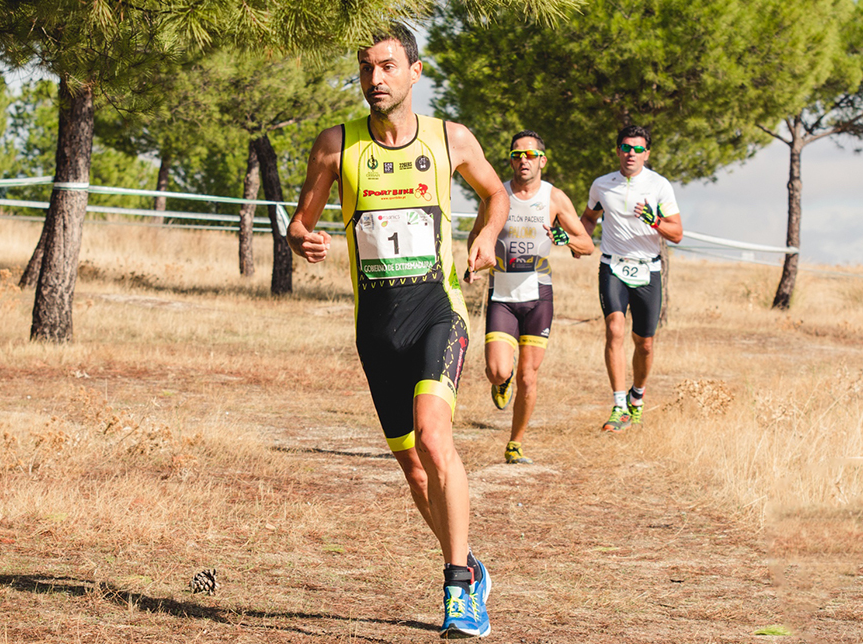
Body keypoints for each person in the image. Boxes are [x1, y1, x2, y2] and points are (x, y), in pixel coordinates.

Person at [286, 24, 505, 639]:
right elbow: (299, 223)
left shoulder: (450, 139)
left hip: (438, 312)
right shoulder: (336, 145)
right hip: (376, 329)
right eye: (365, 69)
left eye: (386, 67)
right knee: (414, 469)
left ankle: (458, 591)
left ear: (414, 71)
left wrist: (486, 234)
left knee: (437, 441)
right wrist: (305, 239)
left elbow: (495, 194)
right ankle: (467, 562)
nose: (375, 80)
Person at [465, 130, 594, 465]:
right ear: (510, 159)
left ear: (543, 161)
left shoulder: (555, 198)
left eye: (531, 155)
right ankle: (500, 381)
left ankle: (515, 443)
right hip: (502, 293)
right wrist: (474, 263)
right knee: (497, 370)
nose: (524, 161)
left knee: (529, 376)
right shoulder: (497, 195)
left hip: (538, 295)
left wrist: (566, 239)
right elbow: (476, 234)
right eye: (517, 155)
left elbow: (587, 245)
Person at [580, 125, 683, 433]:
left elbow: (677, 233)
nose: (631, 154)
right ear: (618, 151)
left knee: (646, 344)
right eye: (626, 148)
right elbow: (588, 217)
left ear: (647, 154)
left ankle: (638, 394)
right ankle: (619, 404)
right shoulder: (602, 185)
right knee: (614, 329)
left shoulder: (659, 186)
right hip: (612, 265)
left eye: (638, 149)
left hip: (648, 269)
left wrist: (655, 220)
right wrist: (581, 241)